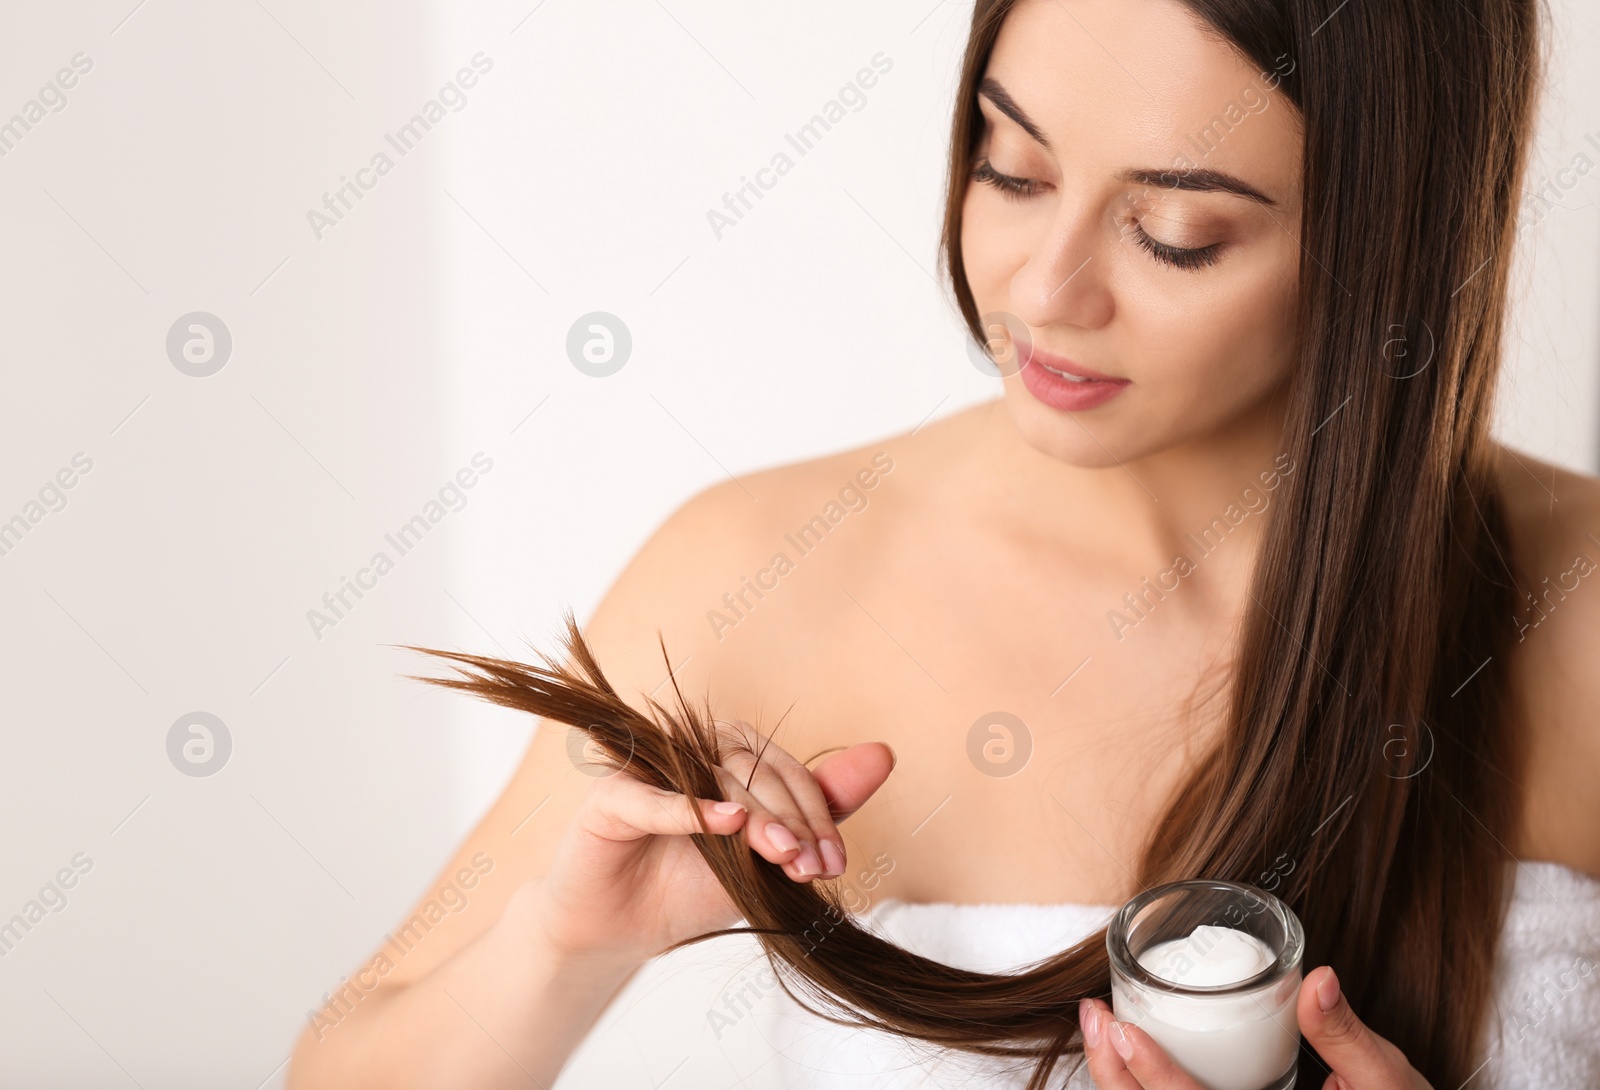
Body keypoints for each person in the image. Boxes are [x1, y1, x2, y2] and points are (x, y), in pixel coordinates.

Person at [287, 0, 1600, 1087]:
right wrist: (564, 946)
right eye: (1009, 166)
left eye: (1177, 232)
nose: (1041, 289)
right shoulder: (764, 574)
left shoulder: (1577, 614)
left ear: (1387, 245)